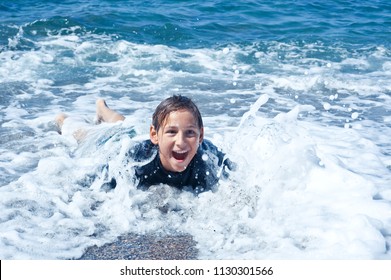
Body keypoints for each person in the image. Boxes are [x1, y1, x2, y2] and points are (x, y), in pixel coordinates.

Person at [56, 95, 235, 193]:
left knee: (125, 124)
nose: (181, 142)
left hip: (136, 134)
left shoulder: (209, 158)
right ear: (154, 135)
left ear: (201, 135)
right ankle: (64, 119)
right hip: (115, 143)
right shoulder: (136, 161)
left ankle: (102, 109)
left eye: (190, 133)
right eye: (172, 132)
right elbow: (96, 185)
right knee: (85, 134)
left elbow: (237, 181)